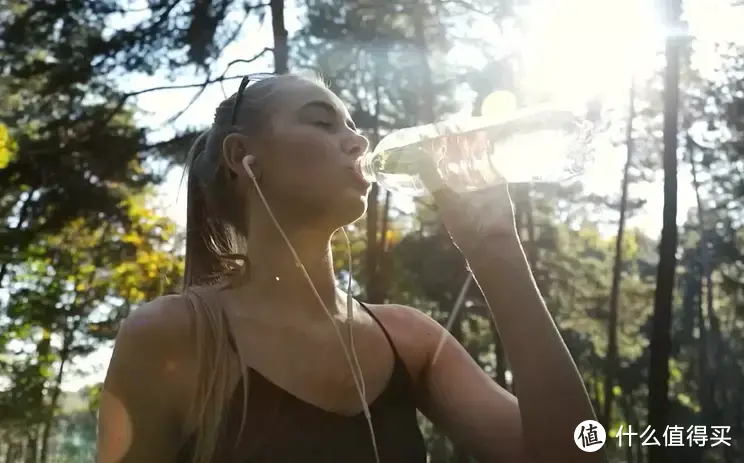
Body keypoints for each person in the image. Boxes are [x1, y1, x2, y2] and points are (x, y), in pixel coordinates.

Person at [96, 73, 605, 463]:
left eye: (354, 127)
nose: (358, 142)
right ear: (242, 156)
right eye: (322, 122)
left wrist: (496, 250)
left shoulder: (410, 342)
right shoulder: (175, 337)